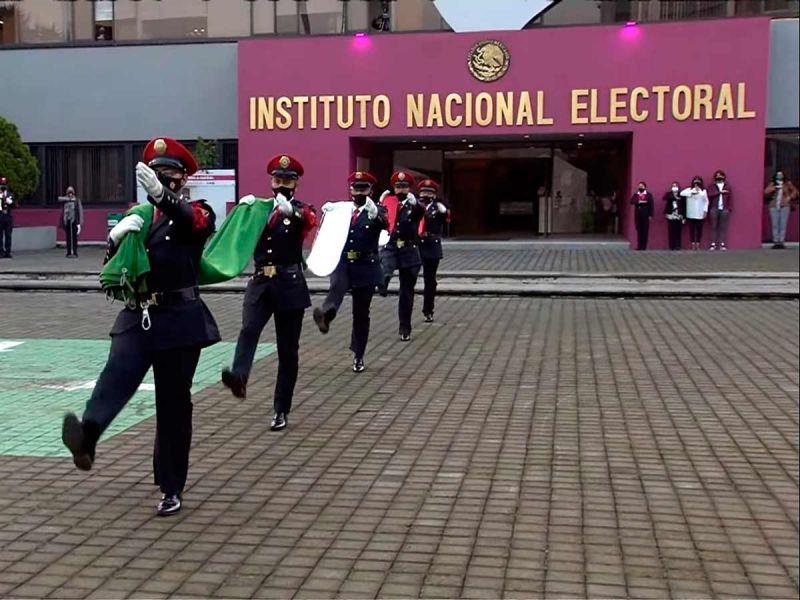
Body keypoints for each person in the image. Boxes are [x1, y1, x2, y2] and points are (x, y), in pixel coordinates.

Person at [61, 137, 219, 517]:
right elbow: (118, 266)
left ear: (184, 179)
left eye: (171, 174)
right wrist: (114, 239)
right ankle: (87, 437)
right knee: (115, 377)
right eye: (156, 173)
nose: (164, 179)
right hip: (137, 316)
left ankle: (171, 486)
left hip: (178, 320)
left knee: (173, 405)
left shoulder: (198, 211)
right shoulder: (138, 215)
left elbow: (190, 223)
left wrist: (162, 196)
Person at [221, 154, 317, 432]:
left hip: (289, 284)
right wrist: (242, 211)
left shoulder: (301, 209)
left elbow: (309, 219)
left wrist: (291, 212)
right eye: (278, 179)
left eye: (287, 180)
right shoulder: (259, 210)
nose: (282, 184)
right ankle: (239, 376)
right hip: (261, 283)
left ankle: (280, 409)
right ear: (271, 181)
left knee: (288, 351)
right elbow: (238, 234)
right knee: (249, 329)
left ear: (295, 184)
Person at [312, 171, 388, 373]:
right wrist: (327, 216)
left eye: (363, 188)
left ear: (371, 190)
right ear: (350, 189)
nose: (359, 192)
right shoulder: (341, 211)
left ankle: (358, 354)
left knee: (361, 313)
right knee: (337, 285)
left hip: (366, 265)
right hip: (344, 261)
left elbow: (384, 223)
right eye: (356, 188)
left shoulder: (377, 210)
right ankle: (326, 315)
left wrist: (374, 214)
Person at [379, 171, 425, 342]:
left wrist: (416, 205)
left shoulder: (414, 205)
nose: (400, 190)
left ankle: (404, 327)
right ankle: (382, 283)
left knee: (406, 292)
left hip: (408, 249)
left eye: (404, 187)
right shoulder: (388, 204)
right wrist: (378, 203)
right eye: (398, 187)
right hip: (391, 246)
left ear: (409, 188)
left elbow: (421, 214)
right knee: (385, 269)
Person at [418, 178, 449, 322]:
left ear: (434, 194)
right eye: (423, 191)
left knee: (429, 280)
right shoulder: (415, 206)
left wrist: (443, 210)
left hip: (431, 245)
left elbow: (446, 219)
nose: (426, 195)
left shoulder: (438, 208)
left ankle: (428, 310)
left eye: (429, 193)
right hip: (416, 244)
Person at [764, 170, 798, 249]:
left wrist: (789, 197)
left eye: (781, 175)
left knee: (783, 224)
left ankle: (781, 241)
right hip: (774, 206)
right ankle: (776, 241)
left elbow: (795, 191)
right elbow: (765, 192)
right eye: (778, 175)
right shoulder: (772, 183)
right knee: (775, 224)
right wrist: (774, 187)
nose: (779, 176)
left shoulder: (787, 183)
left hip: (784, 206)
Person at [707, 170, 733, 251]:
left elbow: (730, 198)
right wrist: (719, 192)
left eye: (720, 175)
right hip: (714, 208)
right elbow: (709, 195)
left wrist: (729, 208)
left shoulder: (727, 186)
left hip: (724, 209)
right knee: (713, 226)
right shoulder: (712, 186)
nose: (719, 177)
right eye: (717, 175)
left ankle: (722, 244)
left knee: (722, 227)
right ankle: (713, 244)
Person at [681, 176, 708, 250]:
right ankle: (693, 243)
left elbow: (706, 201)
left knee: (699, 230)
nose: (696, 183)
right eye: (695, 181)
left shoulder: (703, 191)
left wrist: (705, 211)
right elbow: (682, 193)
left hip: (700, 213)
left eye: (698, 181)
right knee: (692, 229)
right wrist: (692, 192)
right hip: (691, 213)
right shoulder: (689, 190)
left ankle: (698, 243)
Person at [60, 186, 84, 258]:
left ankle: (75, 251)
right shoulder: (65, 201)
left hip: (75, 221)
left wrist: (80, 222)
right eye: (69, 193)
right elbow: (63, 212)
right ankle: (69, 252)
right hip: (67, 221)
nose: (70, 194)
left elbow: (80, 211)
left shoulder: (76, 201)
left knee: (74, 237)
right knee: (68, 237)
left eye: (71, 192)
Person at [629, 181, 654, 250]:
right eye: (639, 186)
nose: (640, 187)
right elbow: (631, 201)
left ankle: (644, 246)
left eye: (642, 186)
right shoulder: (636, 194)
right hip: (638, 215)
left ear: (645, 187)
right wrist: (638, 202)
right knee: (639, 230)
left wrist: (650, 215)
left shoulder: (648, 195)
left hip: (645, 215)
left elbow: (651, 205)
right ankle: (639, 246)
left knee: (645, 231)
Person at [663, 182, 686, 251]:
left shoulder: (682, 194)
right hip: (671, 215)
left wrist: (684, 217)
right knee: (671, 231)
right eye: (673, 186)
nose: (674, 187)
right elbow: (665, 198)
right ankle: (671, 246)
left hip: (679, 215)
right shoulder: (669, 194)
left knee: (678, 231)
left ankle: (678, 246)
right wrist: (674, 197)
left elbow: (684, 206)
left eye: (676, 186)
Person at [0, 177, 14, 259]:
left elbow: (12, 203)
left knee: (8, 235)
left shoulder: (10, 194)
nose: (3, 187)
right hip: (0, 216)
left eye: (4, 185)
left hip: (8, 216)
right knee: (0, 235)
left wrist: (6, 198)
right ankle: (1, 251)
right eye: (2, 185)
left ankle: (8, 251)